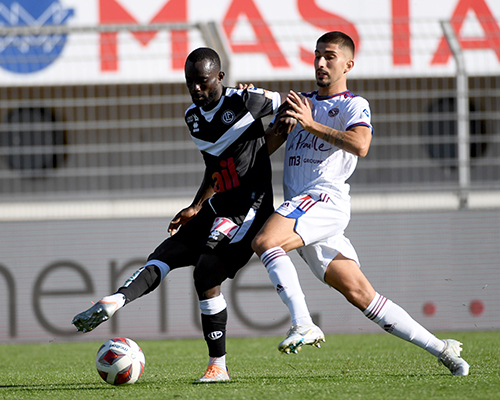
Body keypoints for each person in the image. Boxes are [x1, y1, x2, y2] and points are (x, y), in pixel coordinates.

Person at [251, 31, 470, 376]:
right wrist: (279, 129)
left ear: (348, 64)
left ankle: (303, 323)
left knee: (265, 241)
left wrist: (311, 123)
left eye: (330, 57)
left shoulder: (355, 104)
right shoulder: (299, 101)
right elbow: (260, 156)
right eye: (317, 55)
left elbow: (360, 144)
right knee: (360, 293)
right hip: (302, 207)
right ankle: (443, 350)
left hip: (324, 199)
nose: (321, 63)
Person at [72, 47, 285, 383]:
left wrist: (280, 127)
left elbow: (292, 104)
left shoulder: (246, 101)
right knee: (165, 253)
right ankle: (116, 300)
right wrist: (197, 205)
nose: (197, 90)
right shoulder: (194, 117)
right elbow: (215, 167)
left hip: (251, 208)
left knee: (205, 272)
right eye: (191, 83)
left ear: (220, 77)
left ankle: (219, 366)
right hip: (221, 205)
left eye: (203, 82)